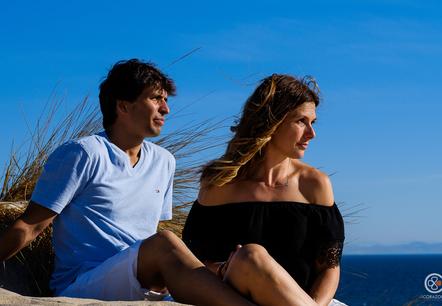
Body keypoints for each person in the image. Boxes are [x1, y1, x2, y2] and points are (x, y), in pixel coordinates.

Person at [0, 59, 258, 306]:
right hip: (84, 283)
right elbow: (30, 226)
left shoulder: (164, 161)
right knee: (164, 243)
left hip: (143, 281)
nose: (166, 109)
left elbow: (148, 234)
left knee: (248, 259)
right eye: (155, 98)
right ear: (123, 106)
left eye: (165, 100)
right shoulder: (84, 153)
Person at [182, 74, 346, 306]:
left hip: (306, 302)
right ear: (272, 121)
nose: (311, 133)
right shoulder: (220, 183)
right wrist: (231, 266)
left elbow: (329, 268)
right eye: (301, 121)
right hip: (237, 300)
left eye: (313, 122)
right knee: (251, 256)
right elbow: (194, 262)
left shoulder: (315, 184)